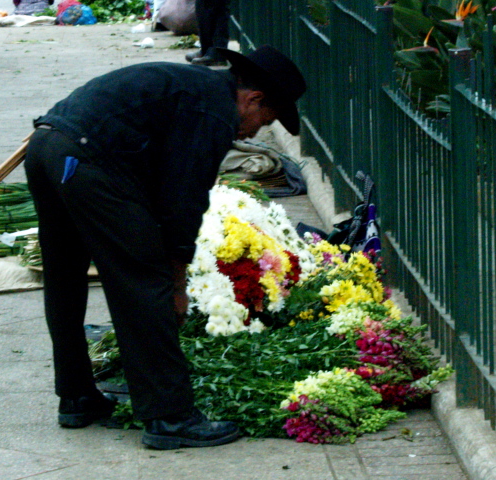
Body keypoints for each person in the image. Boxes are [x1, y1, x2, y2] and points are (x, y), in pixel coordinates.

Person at [23, 44, 306, 449]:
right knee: (144, 281)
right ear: (253, 99)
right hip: (84, 160)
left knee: (64, 276)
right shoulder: (214, 112)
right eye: (265, 120)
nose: (256, 131)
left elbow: (159, 179)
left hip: (47, 146)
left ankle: (77, 396)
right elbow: (183, 201)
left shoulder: (196, 89)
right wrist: (175, 284)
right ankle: (169, 417)